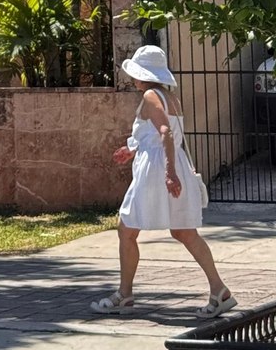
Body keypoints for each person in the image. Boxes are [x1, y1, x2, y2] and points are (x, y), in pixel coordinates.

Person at [90, 45, 236, 318]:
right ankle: (219, 290)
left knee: (127, 229)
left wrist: (169, 172)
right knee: (183, 231)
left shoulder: (149, 95)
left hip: (157, 170)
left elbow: (165, 133)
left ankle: (125, 294)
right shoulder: (170, 98)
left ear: (142, 74)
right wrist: (133, 149)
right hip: (170, 163)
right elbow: (161, 135)